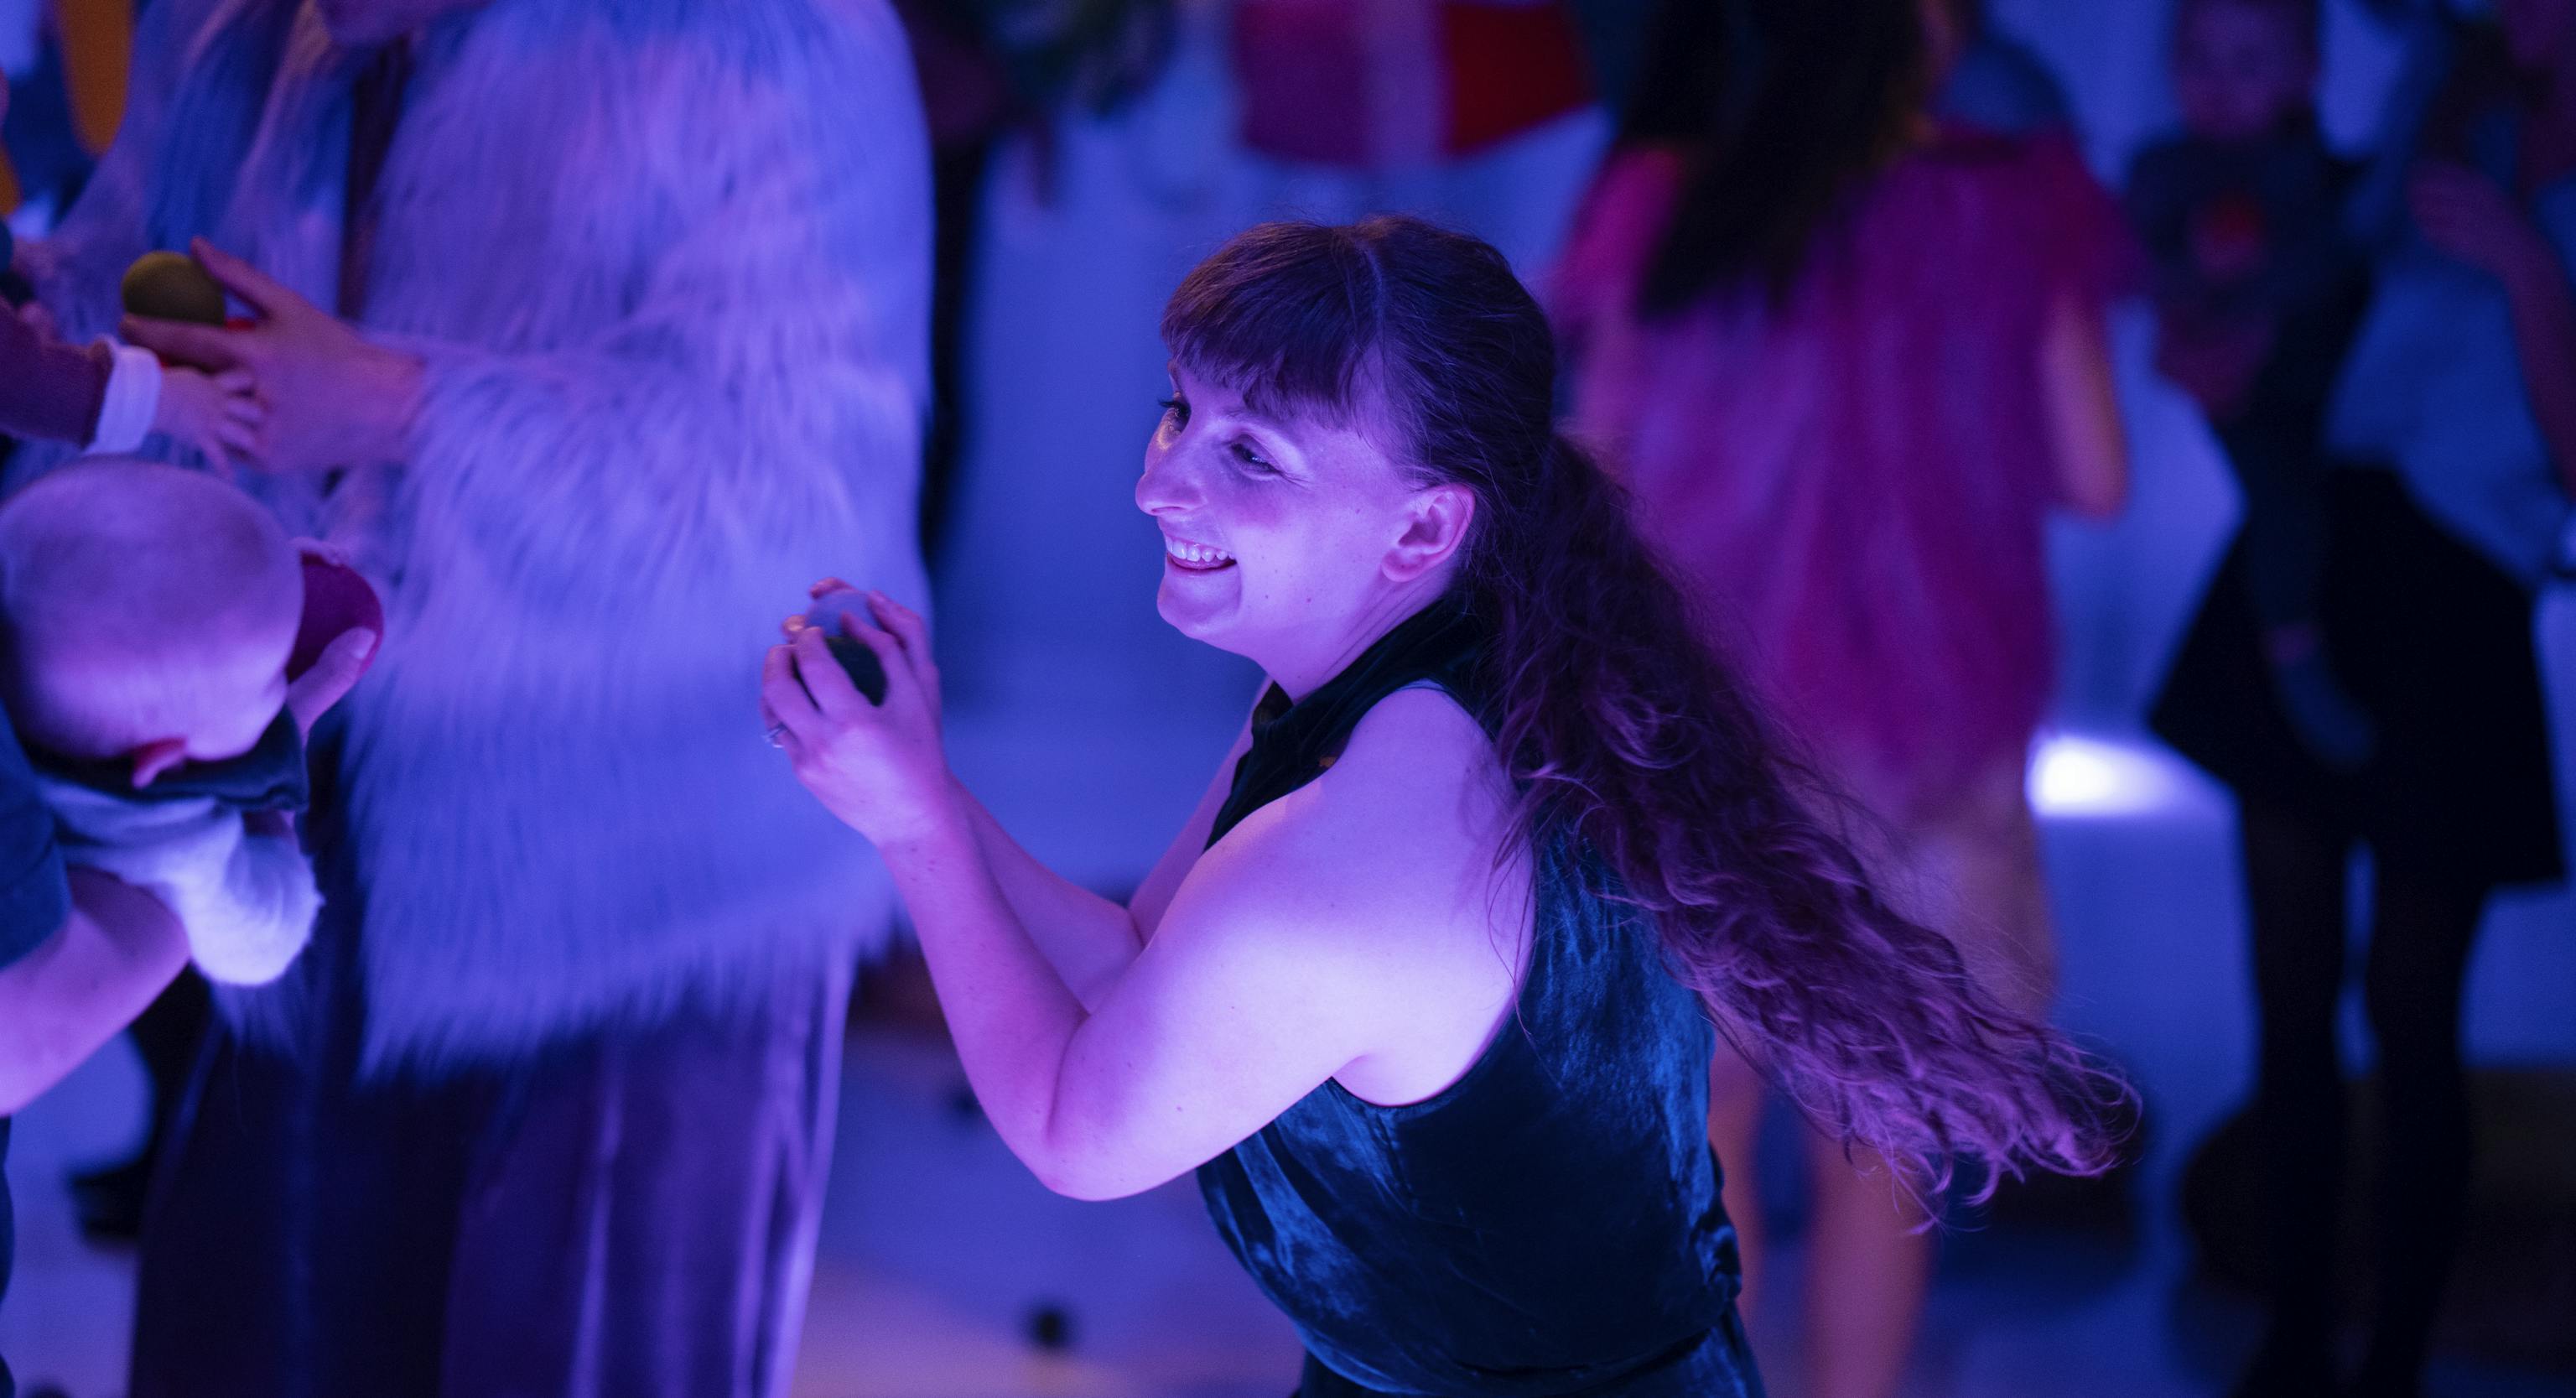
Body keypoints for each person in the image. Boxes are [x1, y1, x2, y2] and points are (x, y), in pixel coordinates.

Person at [763, 216, 2124, 1398]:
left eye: (1253, 456)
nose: (1157, 480)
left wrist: (911, 833)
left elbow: (1075, 1124)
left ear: (1422, 527)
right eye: (1180, 410)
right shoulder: (1438, 667)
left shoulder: (1350, 864)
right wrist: (924, 780)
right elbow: (1141, 955)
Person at [11, 0, 932, 1391]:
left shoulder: (771, 38)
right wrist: (56, 323)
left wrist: (397, 406)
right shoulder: (236, 24)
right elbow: (142, 272)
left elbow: (794, 488)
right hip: (306, 845)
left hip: (640, 901)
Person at [1546, 3, 2132, 1395]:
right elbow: (2097, 475)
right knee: (1886, 1137)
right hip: (1932, 734)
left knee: (1706, 1115)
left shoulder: (1668, 201)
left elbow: (1599, 454)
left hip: (1712, 722)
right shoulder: (2010, 208)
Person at [2150, 1, 2576, 1390]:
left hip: (2463, 579)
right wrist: (2231, 375)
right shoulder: (2446, 98)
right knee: (2287, 982)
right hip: (2331, 541)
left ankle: (2389, 1349)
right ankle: (2290, 1329)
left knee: (2409, 1003)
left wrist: (2523, 262)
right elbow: (2317, 332)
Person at [2130, 0, 2377, 773]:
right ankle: (2292, 641)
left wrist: (2265, 275)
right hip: (2255, 392)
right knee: (2287, 503)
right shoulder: (2168, 172)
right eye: (2198, 59)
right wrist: (2200, 275)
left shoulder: (2317, 173)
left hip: (2336, 387)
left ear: (2305, 75)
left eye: (2248, 64)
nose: (2219, 86)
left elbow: (2340, 261)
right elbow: (2128, 265)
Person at [2, 464, 330, 988]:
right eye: (270, 680)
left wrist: (275, 582)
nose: (279, 681)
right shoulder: (171, 848)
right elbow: (266, 940)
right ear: (164, 758)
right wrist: (276, 812)